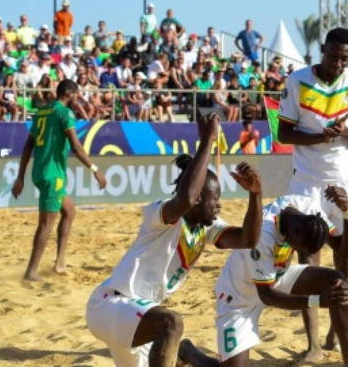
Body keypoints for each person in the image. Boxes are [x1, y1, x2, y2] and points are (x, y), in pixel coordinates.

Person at [85, 113, 264, 367]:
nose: (220, 204)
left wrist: (256, 195)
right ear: (199, 198)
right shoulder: (159, 215)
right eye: (215, 199)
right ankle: (184, 351)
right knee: (172, 322)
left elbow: (249, 239)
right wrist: (207, 141)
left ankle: (186, 353)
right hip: (112, 305)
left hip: (142, 319)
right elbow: (185, 200)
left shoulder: (206, 227)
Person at [178, 187, 348, 367]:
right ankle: (188, 351)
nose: (294, 250)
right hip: (240, 298)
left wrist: (347, 213)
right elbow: (267, 295)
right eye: (296, 247)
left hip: (277, 277)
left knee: (337, 284)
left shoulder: (308, 209)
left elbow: (346, 252)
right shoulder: (262, 234)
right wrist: (318, 300)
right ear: (294, 231)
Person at [276, 27, 348, 361]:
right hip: (306, 181)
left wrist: (344, 131)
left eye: (345, 58)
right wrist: (321, 137)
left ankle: (338, 327)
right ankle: (313, 344)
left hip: (346, 179)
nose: (338, 63)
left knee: (345, 258)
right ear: (322, 50)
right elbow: (284, 132)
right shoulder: (298, 79)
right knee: (307, 258)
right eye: (333, 56)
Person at [12, 79, 107, 282]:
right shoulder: (64, 113)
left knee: (69, 212)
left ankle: (59, 263)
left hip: (40, 172)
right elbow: (76, 146)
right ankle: (30, 272)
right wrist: (95, 169)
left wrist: (20, 177)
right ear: (69, 94)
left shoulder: (41, 112)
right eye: (77, 96)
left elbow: (28, 146)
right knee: (46, 224)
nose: (77, 100)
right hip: (52, 175)